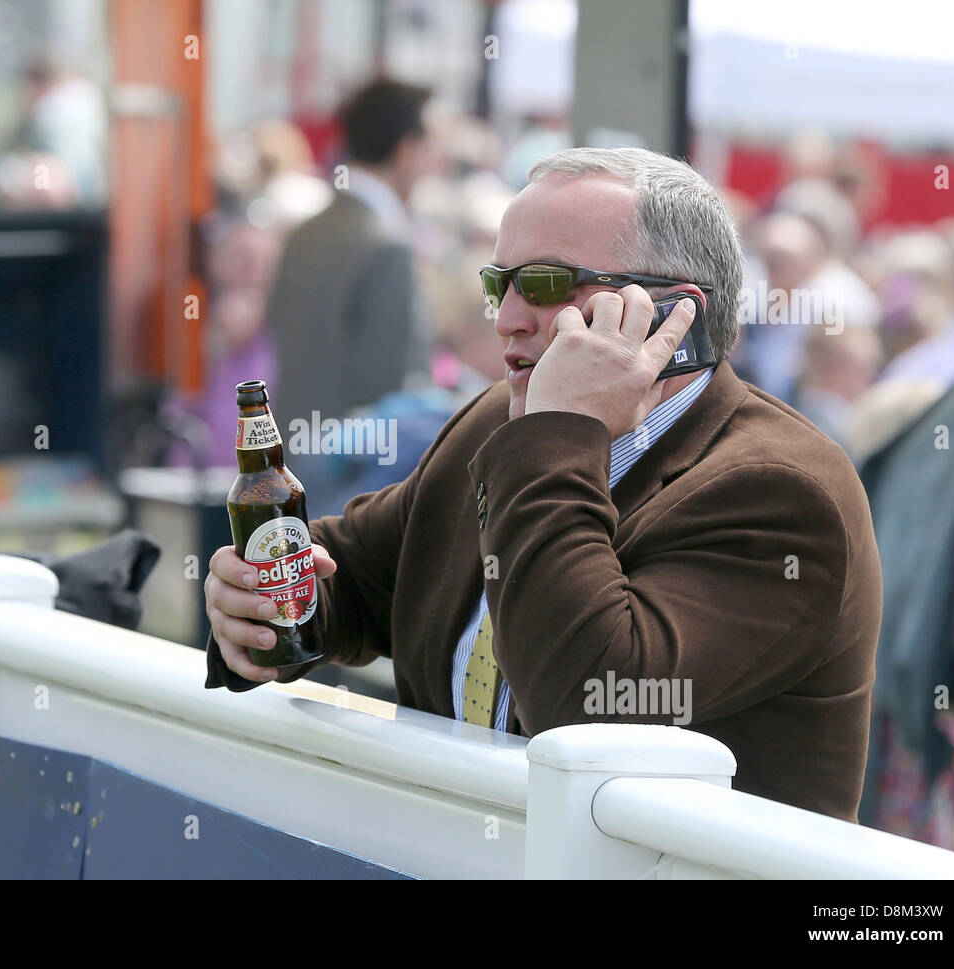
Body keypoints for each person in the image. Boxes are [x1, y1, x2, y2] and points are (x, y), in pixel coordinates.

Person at [203, 147, 883, 823]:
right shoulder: (504, 419)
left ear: (675, 316)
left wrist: (559, 434)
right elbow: (360, 577)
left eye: (550, 283)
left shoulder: (783, 492)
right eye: (500, 284)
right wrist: (262, 607)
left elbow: (585, 699)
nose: (507, 316)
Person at [266, 79, 435, 511]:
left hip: (290, 464)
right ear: (407, 148)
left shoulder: (303, 233)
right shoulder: (385, 244)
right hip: (357, 484)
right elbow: (392, 389)